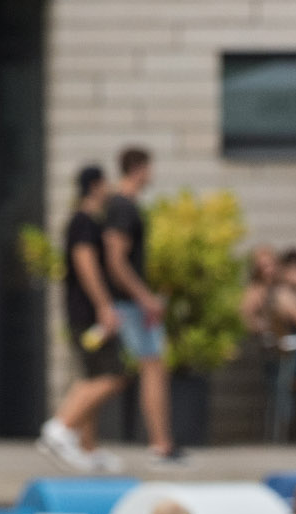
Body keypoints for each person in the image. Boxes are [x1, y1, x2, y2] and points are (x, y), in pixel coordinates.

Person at [37, 164, 126, 475]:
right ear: (95, 186)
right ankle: (60, 428)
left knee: (91, 375)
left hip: (85, 312)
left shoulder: (86, 221)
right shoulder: (84, 222)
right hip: (87, 314)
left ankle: (90, 449)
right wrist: (104, 305)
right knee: (111, 375)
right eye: (106, 183)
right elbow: (85, 264)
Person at [103, 146, 183, 466]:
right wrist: (144, 298)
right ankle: (161, 444)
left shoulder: (123, 205)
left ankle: (162, 443)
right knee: (150, 368)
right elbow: (116, 259)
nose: (152, 174)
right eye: (149, 168)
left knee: (149, 368)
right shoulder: (123, 206)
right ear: (137, 168)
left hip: (130, 302)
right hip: (130, 305)